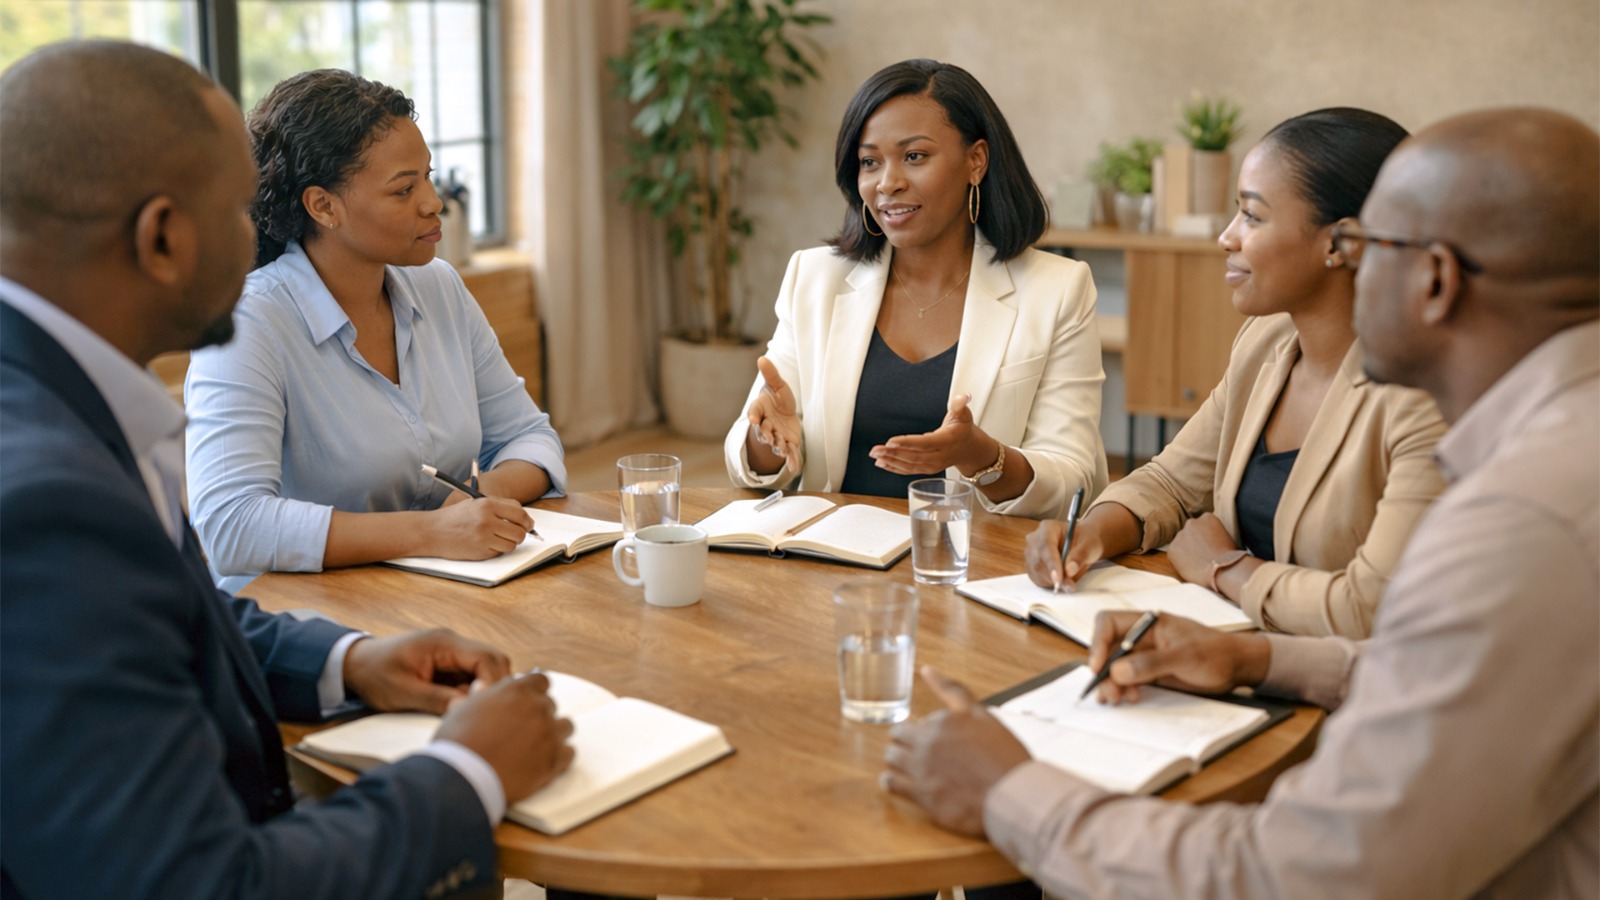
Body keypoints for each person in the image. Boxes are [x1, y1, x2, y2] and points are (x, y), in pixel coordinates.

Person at [885, 107, 1600, 899]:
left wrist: (1007, 794)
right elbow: (1440, 663)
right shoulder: (1556, 449)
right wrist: (1249, 655)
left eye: (1372, 249)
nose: (1227, 237)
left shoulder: (1523, 518)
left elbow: (1302, 874)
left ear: (1432, 278)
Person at [0, 41, 575, 898]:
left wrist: (351, 661)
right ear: (162, 236)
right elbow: (198, 884)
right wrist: (467, 774)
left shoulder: (61, 404)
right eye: (239, 209)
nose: (260, 236)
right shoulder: (46, 503)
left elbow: (173, 627)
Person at [1025, 108, 1448, 638]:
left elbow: (1368, 608)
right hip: (1236, 652)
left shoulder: (1423, 397)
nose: (1227, 237)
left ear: (1344, 243)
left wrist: (1223, 568)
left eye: (1252, 216)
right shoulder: (1266, 342)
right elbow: (1173, 483)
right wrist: (1089, 534)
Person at [185, 69, 565, 593]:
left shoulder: (439, 287)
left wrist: (481, 495)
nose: (433, 202)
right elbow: (232, 526)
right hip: (301, 624)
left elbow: (529, 435)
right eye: (404, 189)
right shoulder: (249, 324)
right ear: (323, 207)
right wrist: (430, 531)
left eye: (428, 177)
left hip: (439, 592)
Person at [723, 59, 1108, 518]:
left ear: (976, 161)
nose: (888, 183)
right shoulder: (814, 277)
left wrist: (983, 458)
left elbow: (1074, 479)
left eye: (914, 156)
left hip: (970, 564)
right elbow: (750, 464)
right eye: (870, 162)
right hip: (835, 565)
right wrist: (767, 439)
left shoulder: (1058, 290)